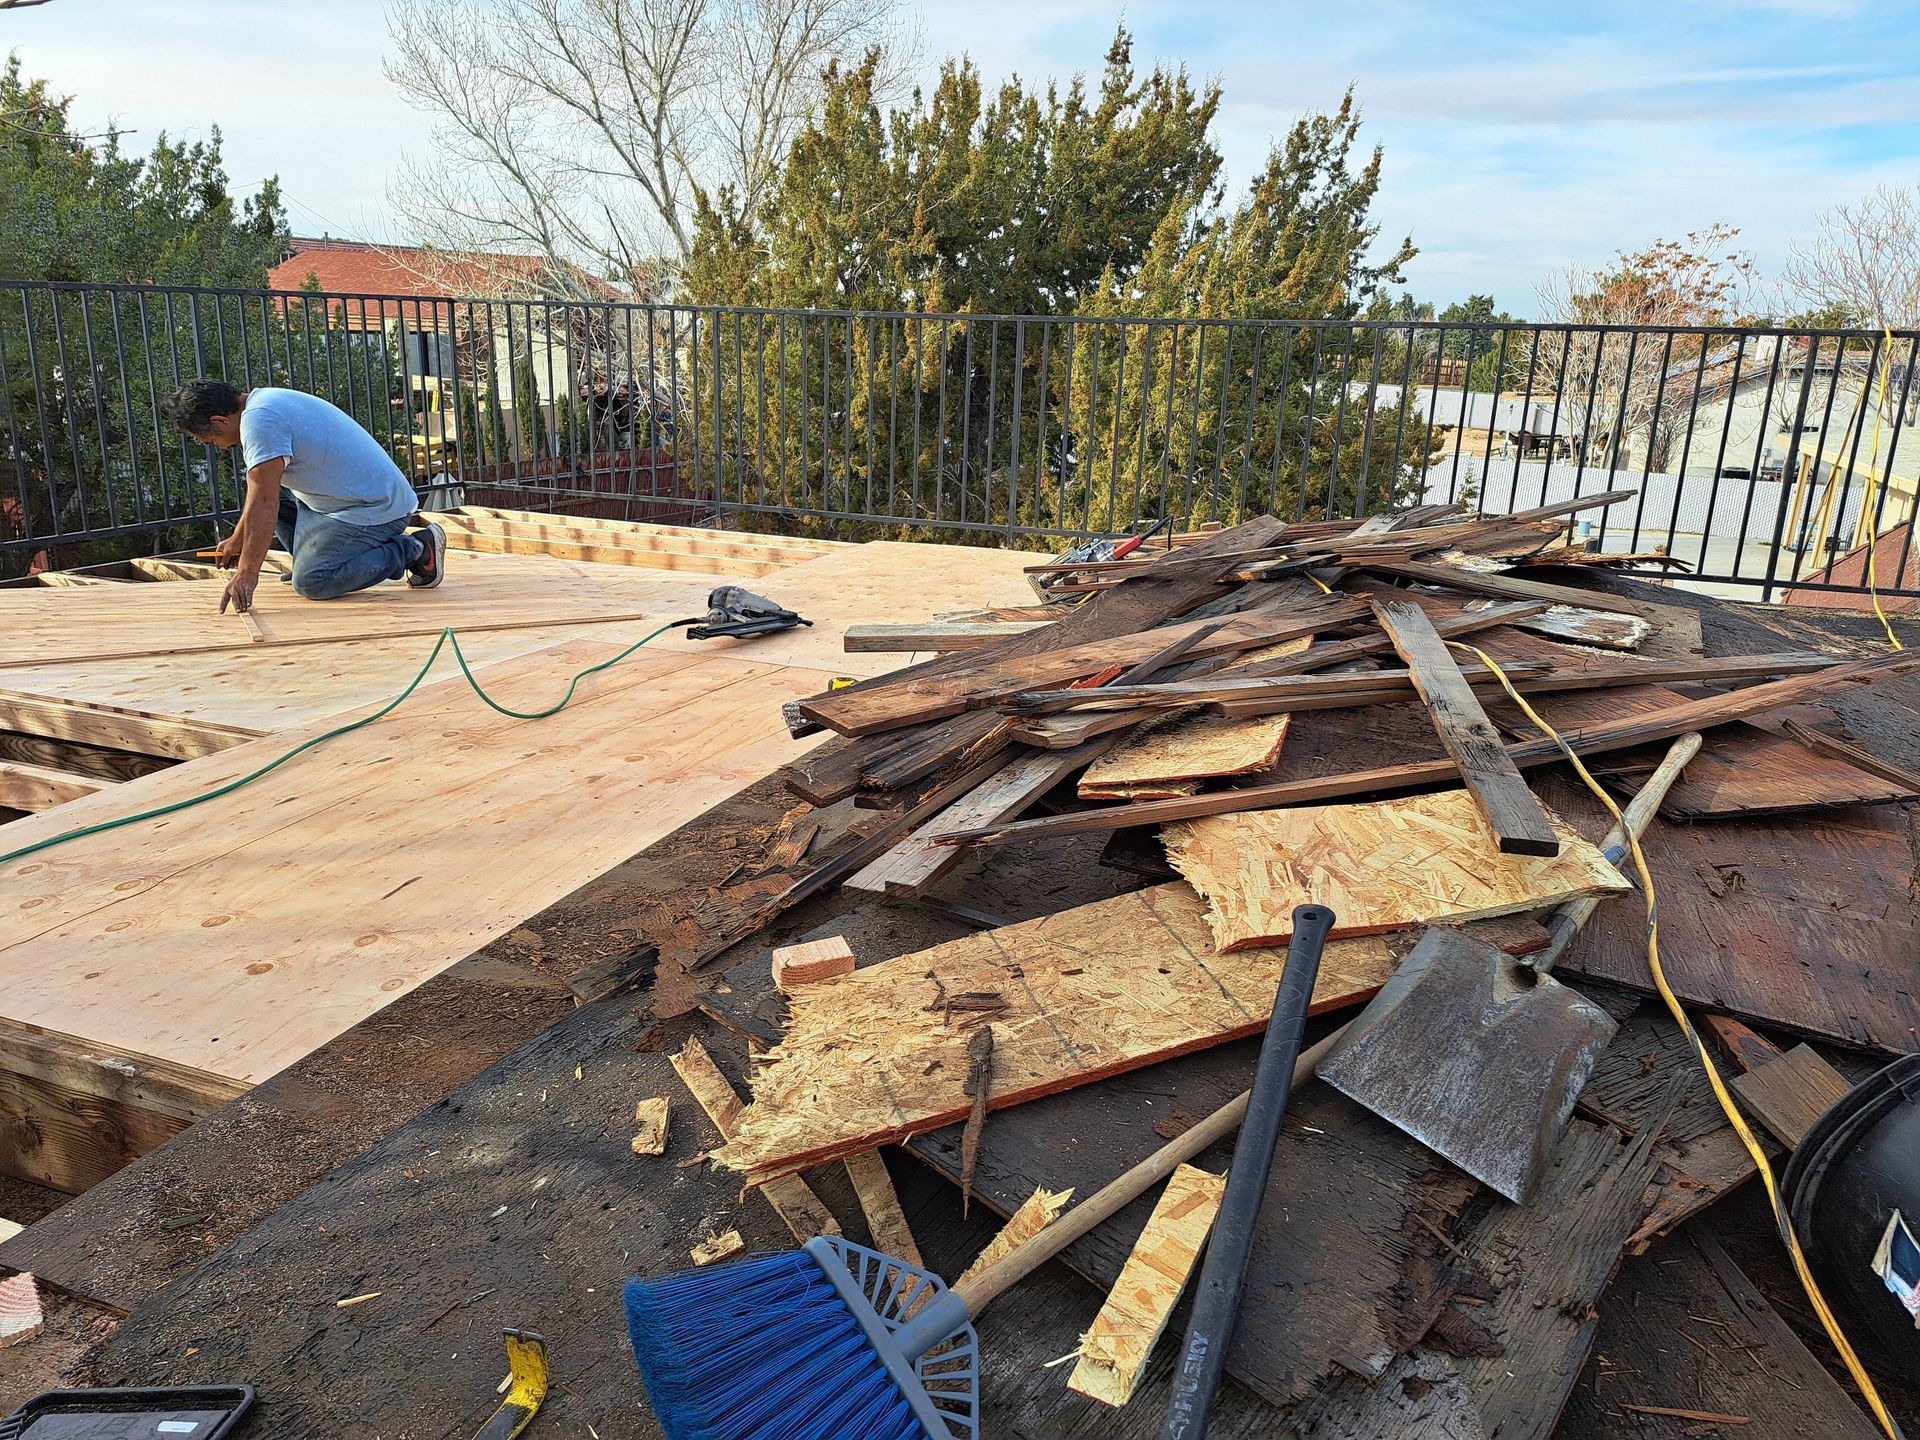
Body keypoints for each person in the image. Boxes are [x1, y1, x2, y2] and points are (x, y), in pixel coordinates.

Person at [159, 378, 446, 613]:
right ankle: (318, 560)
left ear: (220, 421)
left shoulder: (260, 423)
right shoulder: (263, 402)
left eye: (210, 440)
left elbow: (265, 502)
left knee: (312, 582)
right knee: (268, 490)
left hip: (375, 509)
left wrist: (247, 572)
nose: (219, 447)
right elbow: (260, 493)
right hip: (341, 500)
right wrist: (238, 538)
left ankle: (416, 549)